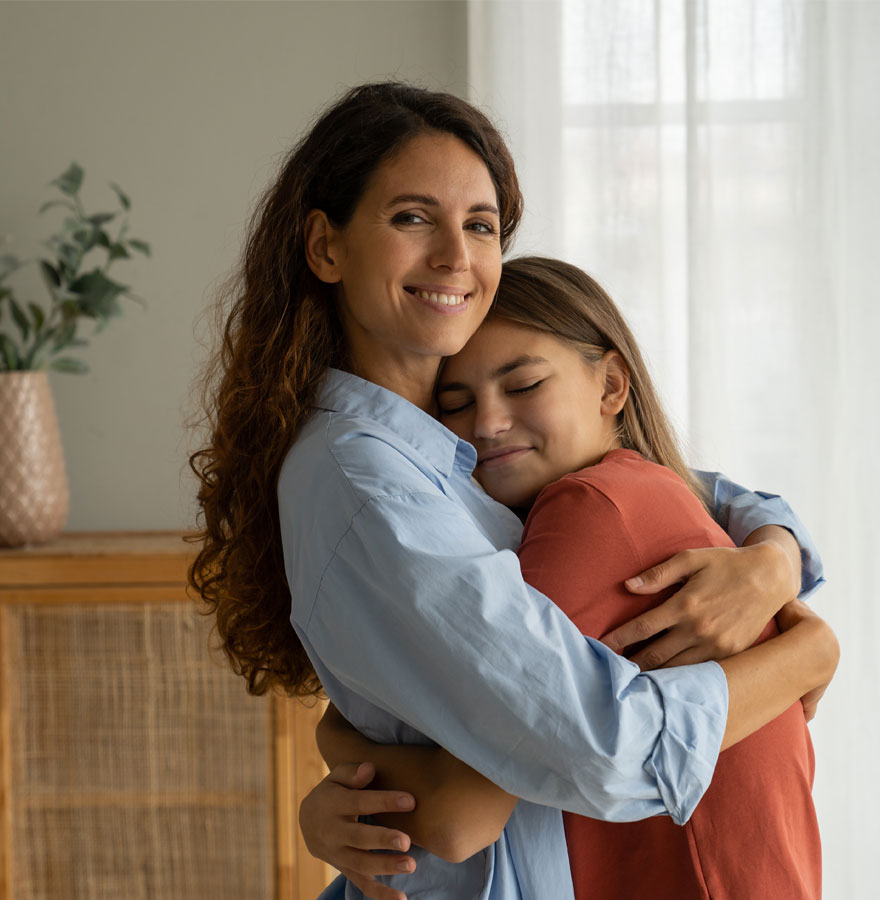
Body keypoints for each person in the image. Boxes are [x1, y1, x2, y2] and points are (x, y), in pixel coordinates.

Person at [187, 82, 829, 900]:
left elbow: (665, 482)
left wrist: (774, 554)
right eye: (412, 218)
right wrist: (809, 651)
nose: (456, 254)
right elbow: (604, 750)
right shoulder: (370, 482)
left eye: (480, 225)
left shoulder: (447, 444)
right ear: (326, 248)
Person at [311, 256, 828, 900]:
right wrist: (790, 586)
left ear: (612, 385)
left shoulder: (589, 511)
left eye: (523, 385)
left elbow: (459, 813)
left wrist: (331, 745)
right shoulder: (644, 488)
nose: (488, 423)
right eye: (456, 402)